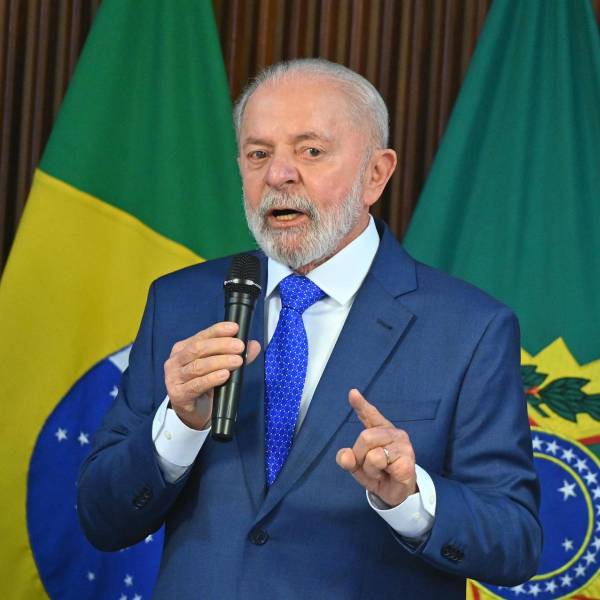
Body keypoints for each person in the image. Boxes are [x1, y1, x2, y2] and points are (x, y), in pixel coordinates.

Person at [77, 59, 541, 599]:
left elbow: (516, 542)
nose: (279, 175)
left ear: (376, 174)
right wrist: (179, 425)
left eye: (311, 151)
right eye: (259, 154)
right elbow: (101, 518)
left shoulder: (470, 328)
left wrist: (412, 500)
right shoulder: (181, 302)